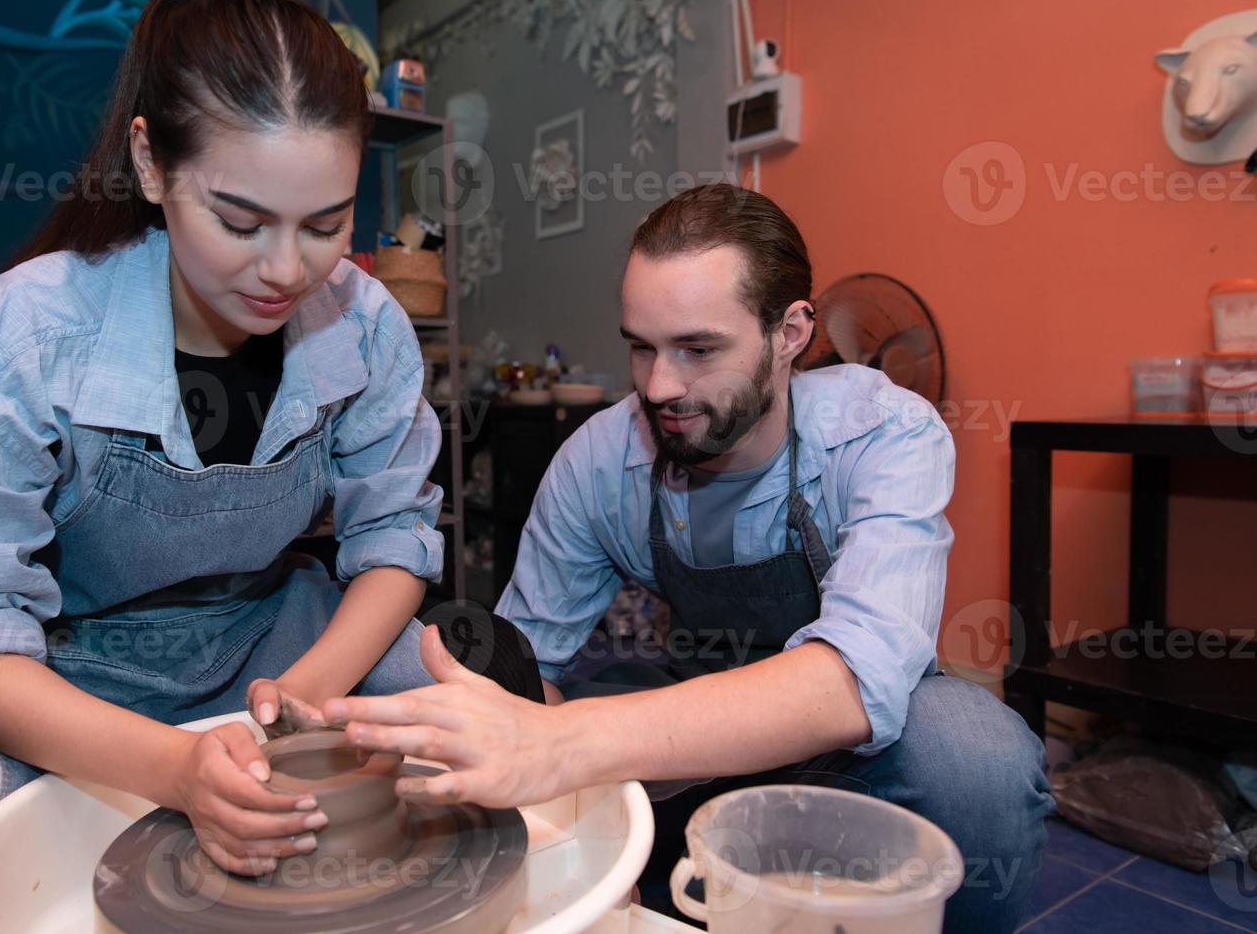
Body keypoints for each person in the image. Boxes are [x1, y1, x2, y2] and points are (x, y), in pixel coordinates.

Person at [0, 0, 539, 931]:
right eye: (240, 220)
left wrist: (294, 704)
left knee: (493, 669)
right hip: (62, 663)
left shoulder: (366, 323)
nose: (285, 270)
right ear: (150, 163)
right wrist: (176, 767)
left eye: (325, 224)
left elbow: (392, 541)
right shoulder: (28, 331)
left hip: (268, 643)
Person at [325, 185, 1055, 933]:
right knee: (432, 667)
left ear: (790, 333)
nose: (658, 386)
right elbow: (525, 671)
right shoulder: (598, 461)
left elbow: (853, 685)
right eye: (641, 346)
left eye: (699, 350)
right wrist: (572, 838)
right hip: (693, 741)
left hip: (857, 763)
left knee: (975, 760)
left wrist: (564, 746)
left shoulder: (884, 434)